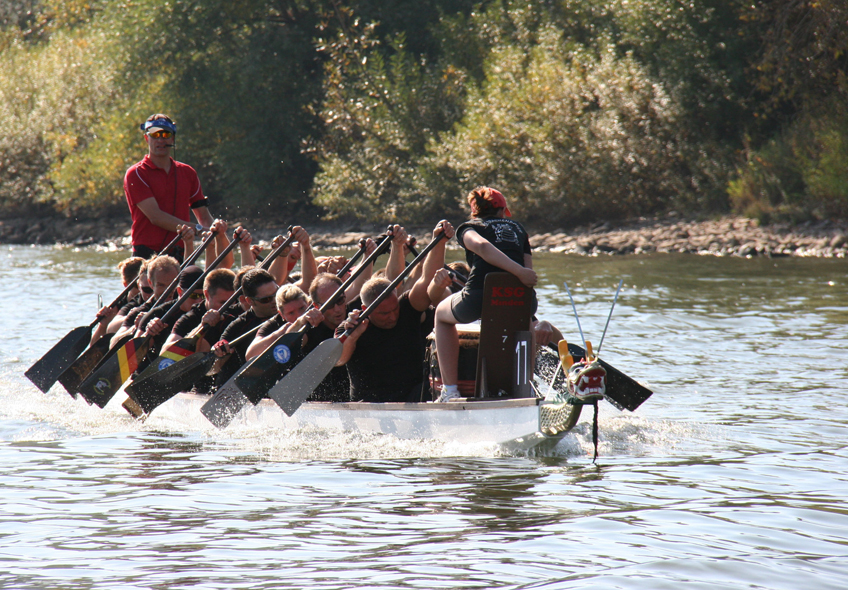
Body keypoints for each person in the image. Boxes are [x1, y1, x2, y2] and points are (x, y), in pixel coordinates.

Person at [433, 187, 538, 402]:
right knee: (526, 321)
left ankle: (450, 392)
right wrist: (519, 274)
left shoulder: (469, 227)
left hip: (479, 297)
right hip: (519, 297)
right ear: (502, 211)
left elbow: (481, 246)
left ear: (475, 211)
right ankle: (525, 388)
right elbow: (528, 272)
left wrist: (518, 272)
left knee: (441, 316)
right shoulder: (519, 229)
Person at [336, 221, 455, 403]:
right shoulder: (351, 325)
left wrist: (439, 241)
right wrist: (352, 336)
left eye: (394, 309)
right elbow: (339, 360)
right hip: (371, 403)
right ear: (365, 310)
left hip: (414, 397)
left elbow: (427, 280)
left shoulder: (407, 306)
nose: (392, 317)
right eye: (384, 314)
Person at [124, 113, 215, 262]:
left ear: (172, 139)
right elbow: (156, 217)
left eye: (166, 135)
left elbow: (204, 216)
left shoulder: (187, 172)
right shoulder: (136, 174)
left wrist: (218, 234)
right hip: (147, 254)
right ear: (147, 138)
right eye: (155, 135)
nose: (160, 140)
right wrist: (197, 230)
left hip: (181, 253)